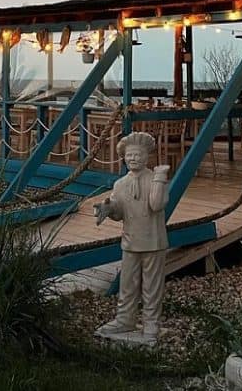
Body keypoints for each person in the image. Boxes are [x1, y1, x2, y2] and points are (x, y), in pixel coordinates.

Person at [93, 131, 169, 342]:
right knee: (128, 283)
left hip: (153, 240)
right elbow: (119, 213)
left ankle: (151, 321)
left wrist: (161, 178)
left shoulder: (155, 179)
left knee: (152, 285)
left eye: (137, 155)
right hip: (130, 240)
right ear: (124, 158)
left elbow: (156, 204)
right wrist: (108, 208)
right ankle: (125, 318)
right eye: (129, 155)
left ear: (147, 157)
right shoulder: (120, 184)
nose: (133, 159)